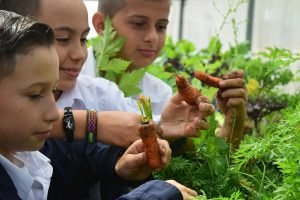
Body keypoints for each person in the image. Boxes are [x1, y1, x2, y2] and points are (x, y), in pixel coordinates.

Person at [0, 0, 214, 199]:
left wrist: (118, 163)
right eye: (63, 39)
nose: (79, 54)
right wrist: (93, 124)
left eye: (83, 38)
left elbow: (71, 153)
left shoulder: (99, 92)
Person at [84, 0, 247, 147]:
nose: (152, 37)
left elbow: (203, 163)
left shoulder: (160, 94)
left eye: (161, 26)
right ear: (101, 25)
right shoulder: (72, 78)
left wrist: (234, 120)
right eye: (139, 24)